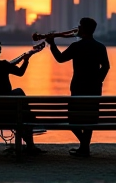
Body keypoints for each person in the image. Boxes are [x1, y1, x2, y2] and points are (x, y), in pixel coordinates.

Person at [45, 17, 110, 157]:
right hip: (95, 88)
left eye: (80, 26)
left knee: (72, 118)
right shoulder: (100, 47)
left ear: (83, 29)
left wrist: (52, 44)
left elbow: (60, 59)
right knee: (90, 118)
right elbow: (106, 67)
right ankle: (84, 147)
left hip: (78, 86)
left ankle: (84, 146)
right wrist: (98, 80)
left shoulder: (77, 46)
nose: (77, 28)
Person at [0, 38, 45, 155]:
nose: (0, 52)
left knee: (21, 107)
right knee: (21, 98)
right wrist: (26, 60)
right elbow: (20, 73)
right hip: (7, 113)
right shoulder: (4, 65)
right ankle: (30, 145)